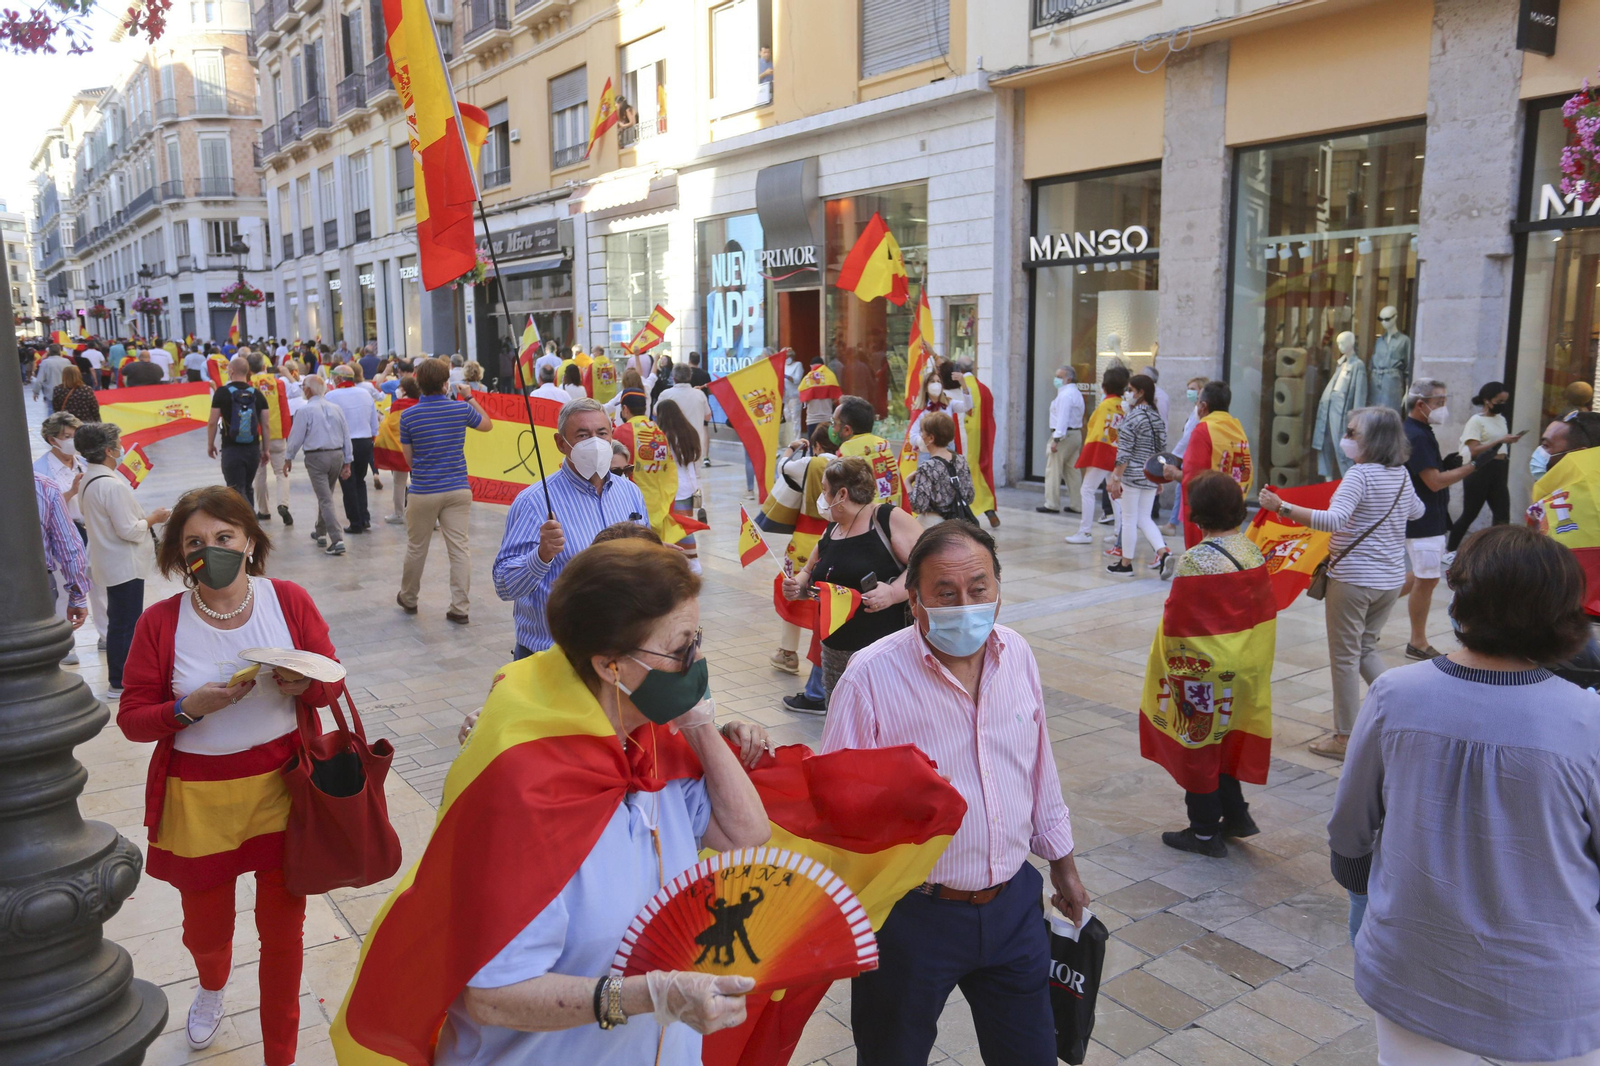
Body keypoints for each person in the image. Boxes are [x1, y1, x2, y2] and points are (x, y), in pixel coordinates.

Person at [1327, 524, 1600, 1064]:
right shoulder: (1586, 719)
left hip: (1411, 973)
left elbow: (1349, 834)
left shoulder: (1394, 695)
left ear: (1462, 598)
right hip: (1549, 995)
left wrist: (1377, 895)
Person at [822, 521, 1089, 1065]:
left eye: (978, 588)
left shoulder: (1017, 654)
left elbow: (1038, 766)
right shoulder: (868, 678)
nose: (964, 604)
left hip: (1013, 904)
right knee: (892, 1054)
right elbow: (835, 810)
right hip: (911, 918)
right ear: (913, 601)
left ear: (998, 590)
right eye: (945, 593)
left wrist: (1063, 864)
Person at [117, 486, 345, 1066]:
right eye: (195, 542)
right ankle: (212, 984)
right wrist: (189, 708)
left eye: (224, 537)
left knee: (283, 931)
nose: (211, 550)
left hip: (282, 788)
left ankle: (281, 1052)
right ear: (178, 554)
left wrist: (304, 685)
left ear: (249, 541)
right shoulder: (159, 624)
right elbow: (134, 721)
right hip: (197, 798)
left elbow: (331, 680)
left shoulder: (287, 600)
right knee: (207, 928)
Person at [1259, 407, 1423, 761]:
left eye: (1352, 432)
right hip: (1390, 580)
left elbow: (1333, 520)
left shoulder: (1359, 476)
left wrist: (1281, 507)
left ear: (1373, 440)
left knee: (1345, 658)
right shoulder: (1401, 475)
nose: (1346, 438)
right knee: (1365, 648)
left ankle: (1345, 737)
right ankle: (1402, 710)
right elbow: (1417, 512)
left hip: (1353, 580)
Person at [1149, 472, 1271, 856]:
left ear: (1196, 514)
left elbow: (1179, 623)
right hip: (1246, 666)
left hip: (1204, 670)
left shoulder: (1194, 561)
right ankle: (1236, 815)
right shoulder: (1252, 550)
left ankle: (1203, 832)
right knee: (1226, 740)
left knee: (1199, 744)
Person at [494, 399, 649, 660]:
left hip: (619, 652)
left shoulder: (630, 492)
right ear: (560, 443)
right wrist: (541, 556)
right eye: (582, 435)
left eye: (601, 433)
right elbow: (504, 586)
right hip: (554, 657)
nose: (595, 443)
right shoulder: (533, 502)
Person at [782, 457, 920, 699]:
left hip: (883, 654)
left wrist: (893, 592)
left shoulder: (886, 518)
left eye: (825, 490)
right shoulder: (832, 529)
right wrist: (799, 586)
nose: (822, 498)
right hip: (835, 655)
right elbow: (810, 571)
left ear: (842, 494)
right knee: (841, 724)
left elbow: (925, 564)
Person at [75, 423, 172, 699]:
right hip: (123, 562)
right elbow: (129, 529)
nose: (121, 447)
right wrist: (154, 517)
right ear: (108, 450)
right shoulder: (110, 485)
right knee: (125, 623)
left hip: (108, 559)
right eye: (117, 443)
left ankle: (121, 678)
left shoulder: (88, 479)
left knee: (120, 620)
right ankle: (120, 681)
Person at [398, 358, 493, 622]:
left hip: (424, 489)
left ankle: (408, 598)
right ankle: (460, 608)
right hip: (457, 488)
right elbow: (487, 424)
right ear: (445, 383)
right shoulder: (459, 410)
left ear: (418, 383)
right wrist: (469, 397)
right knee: (459, 549)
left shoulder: (409, 416)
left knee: (417, 547)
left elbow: (409, 460)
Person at [1399, 379, 1477, 661]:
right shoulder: (1416, 435)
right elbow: (1433, 482)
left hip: (1428, 514)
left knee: (1423, 576)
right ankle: (1417, 642)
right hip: (1423, 517)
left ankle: (1370, 612)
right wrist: (1473, 467)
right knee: (1428, 578)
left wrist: (1449, 463)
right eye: (1439, 403)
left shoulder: (1420, 431)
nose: (1443, 409)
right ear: (1421, 404)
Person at [34, 411, 108, 653]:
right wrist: (71, 492)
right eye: (66, 436)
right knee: (65, 587)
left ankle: (106, 635)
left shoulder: (84, 462)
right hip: (62, 532)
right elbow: (44, 507)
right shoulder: (41, 470)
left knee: (99, 586)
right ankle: (67, 646)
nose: (71, 441)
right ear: (52, 439)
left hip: (91, 529)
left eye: (75, 435)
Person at [1447, 381, 1524, 551]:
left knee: (1502, 516)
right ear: (1487, 400)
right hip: (1480, 470)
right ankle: (1450, 550)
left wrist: (1509, 440)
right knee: (1469, 514)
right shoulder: (1476, 421)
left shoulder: (1501, 419)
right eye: (1499, 401)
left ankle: (1496, 553)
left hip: (1499, 468)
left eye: (1505, 401)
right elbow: (1473, 450)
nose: (1502, 405)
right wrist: (1498, 441)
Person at [1176, 380, 1253, 548]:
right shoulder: (1237, 428)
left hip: (1208, 511)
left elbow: (1193, 477)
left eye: (1197, 402)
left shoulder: (1203, 430)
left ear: (1203, 406)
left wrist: (1173, 474)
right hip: (1231, 507)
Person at [283, 374, 353, 557]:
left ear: (308, 389)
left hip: (316, 458)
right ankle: (321, 532)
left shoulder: (305, 411)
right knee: (326, 495)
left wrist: (288, 457)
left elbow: (295, 437)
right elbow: (346, 434)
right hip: (336, 455)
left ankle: (337, 540)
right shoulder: (336, 408)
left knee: (325, 498)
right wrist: (347, 460)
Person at [1107, 372, 1169, 576]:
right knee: (1143, 517)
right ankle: (1163, 552)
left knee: (1129, 518)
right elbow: (1161, 450)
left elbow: (1124, 452)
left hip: (1132, 475)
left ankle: (1126, 563)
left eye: (1130, 390)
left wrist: (1116, 477)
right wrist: (1159, 477)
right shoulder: (1156, 417)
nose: (1127, 394)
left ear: (1141, 392)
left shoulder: (1133, 418)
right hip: (1151, 475)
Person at [1065, 366, 1127, 546]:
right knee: (1114, 492)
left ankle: (1085, 531)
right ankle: (1118, 532)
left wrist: (1089, 455)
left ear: (1105, 385)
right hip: (1116, 451)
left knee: (1087, 490)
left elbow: (1097, 432)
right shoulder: (1122, 406)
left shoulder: (1105, 406)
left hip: (1102, 451)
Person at [36, 472, 91, 664]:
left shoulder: (44, 486)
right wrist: (77, 598)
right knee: (38, 656)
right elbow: (68, 547)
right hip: (35, 586)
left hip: (38, 586)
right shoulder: (43, 486)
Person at [208, 356, 270, 511]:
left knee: (235, 491)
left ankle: (252, 524)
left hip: (231, 448)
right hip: (252, 448)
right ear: (248, 372)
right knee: (247, 488)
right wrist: (266, 449)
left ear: (231, 371)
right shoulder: (257, 394)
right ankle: (249, 530)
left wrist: (210, 444)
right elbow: (266, 424)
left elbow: (212, 422)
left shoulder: (222, 393)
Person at [327, 364, 379, 534]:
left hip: (344, 443)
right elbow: (373, 419)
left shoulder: (331, 396)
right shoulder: (365, 393)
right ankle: (364, 517)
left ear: (339, 378)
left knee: (348, 482)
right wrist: (372, 437)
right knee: (360, 481)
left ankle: (355, 521)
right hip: (364, 441)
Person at [654, 398, 704, 572]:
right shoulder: (690, 432)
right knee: (684, 524)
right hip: (690, 485)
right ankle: (684, 560)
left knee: (680, 527)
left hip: (673, 487)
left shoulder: (664, 437)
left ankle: (693, 561)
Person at [247, 354, 296, 526]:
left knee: (260, 474)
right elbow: (296, 391)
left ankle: (264, 511)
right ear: (264, 367)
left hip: (255, 435)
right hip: (277, 433)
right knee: (281, 472)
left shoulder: (247, 385)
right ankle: (283, 504)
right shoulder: (279, 383)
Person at [907, 411, 975, 526]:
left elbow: (918, 506)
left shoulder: (927, 467)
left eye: (922, 432)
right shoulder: (961, 460)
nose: (921, 436)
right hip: (960, 525)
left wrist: (907, 483)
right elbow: (969, 496)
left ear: (931, 438)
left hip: (934, 526)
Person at [1163, 377, 1210, 535]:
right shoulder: (1195, 411)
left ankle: (1173, 524)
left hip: (1190, 456)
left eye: (1193, 389)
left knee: (1181, 488)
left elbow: (1188, 437)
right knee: (1180, 490)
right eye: (1188, 388)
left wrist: (1175, 455)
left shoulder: (1199, 413)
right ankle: (1173, 522)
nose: (1189, 392)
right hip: (1187, 455)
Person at [1039, 365, 1083, 514]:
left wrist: (1056, 440)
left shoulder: (1065, 395)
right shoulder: (1075, 393)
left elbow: (1062, 419)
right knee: (1072, 471)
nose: (1056, 379)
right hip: (1075, 434)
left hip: (1064, 436)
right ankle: (1077, 504)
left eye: (1059, 376)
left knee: (1053, 469)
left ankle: (1051, 504)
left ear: (1068, 378)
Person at [660, 364, 712, 464]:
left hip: (672, 443)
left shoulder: (666, 394)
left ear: (674, 378)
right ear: (690, 377)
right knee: (695, 476)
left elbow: (656, 411)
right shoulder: (699, 394)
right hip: (696, 444)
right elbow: (707, 417)